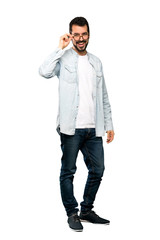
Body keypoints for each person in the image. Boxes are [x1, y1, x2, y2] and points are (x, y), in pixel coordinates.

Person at [39, 16, 114, 232]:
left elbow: (104, 96)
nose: (81, 39)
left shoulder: (96, 62)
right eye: (76, 34)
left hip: (94, 128)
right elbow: (43, 72)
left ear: (89, 34)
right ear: (71, 35)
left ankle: (86, 210)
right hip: (70, 128)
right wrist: (59, 48)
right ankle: (72, 213)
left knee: (98, 170)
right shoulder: (63, 59)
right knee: (68, 171)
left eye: (84, 34)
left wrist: (109, 124)